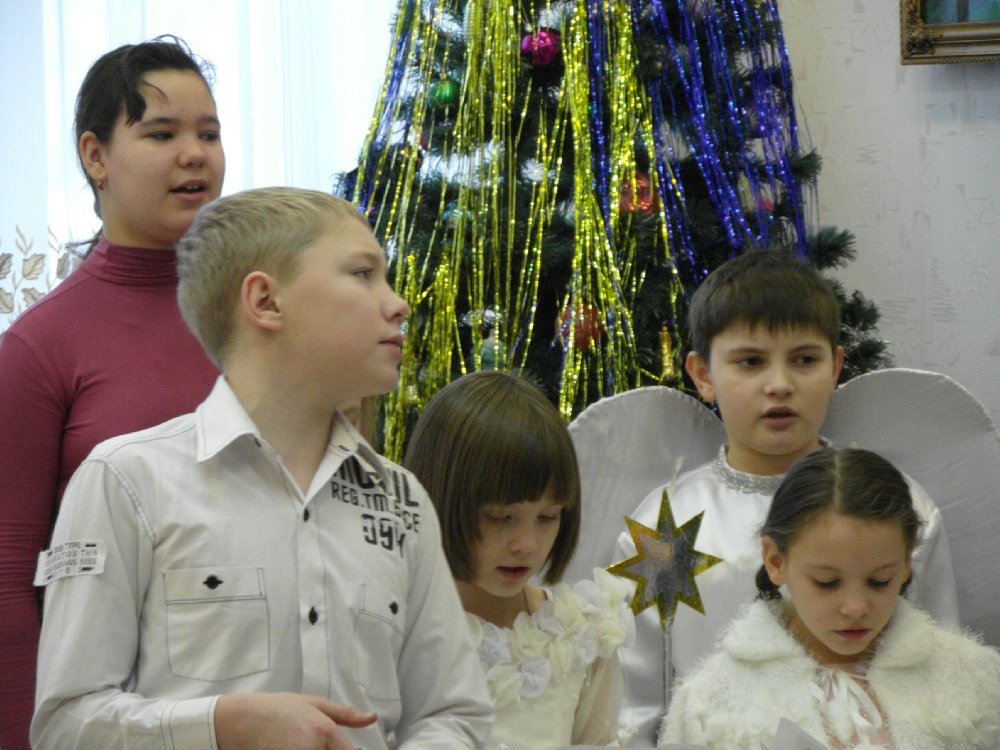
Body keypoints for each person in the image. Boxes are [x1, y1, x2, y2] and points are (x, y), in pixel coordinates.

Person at [31, 187, 493, 750]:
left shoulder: (403, 499)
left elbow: (453, 713)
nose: (397, 304)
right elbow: (66, 724)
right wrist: (222, 725)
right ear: (266, 301)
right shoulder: (127, 481)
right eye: (362, 274)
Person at [614, 250, 959, 745]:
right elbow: (632, 706)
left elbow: (942, 676)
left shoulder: (900, 508)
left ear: (835, 367)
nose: (779, 385)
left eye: (804, 360)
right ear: (703, 374)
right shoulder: (662, 527)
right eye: (751, 362)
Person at [0, 36, 223, 750]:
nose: (195, 154)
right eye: (162, 134)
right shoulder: (39, 347)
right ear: (95, 156)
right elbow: (9, 578)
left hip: (260, 701)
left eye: (208, 133)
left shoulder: (261, 316)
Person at [659, 447, 1000, 749]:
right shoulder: (710, 704)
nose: (855, 608)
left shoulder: (975, 679)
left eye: (879, 581)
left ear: (907, 562)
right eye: (827, 582)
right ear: (776, 561)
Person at [405, 370, 635, 749]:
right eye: (500, 517)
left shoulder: (581, 636)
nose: (527, 544)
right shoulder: (399, 633)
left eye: (548, 517)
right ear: (439, 498)